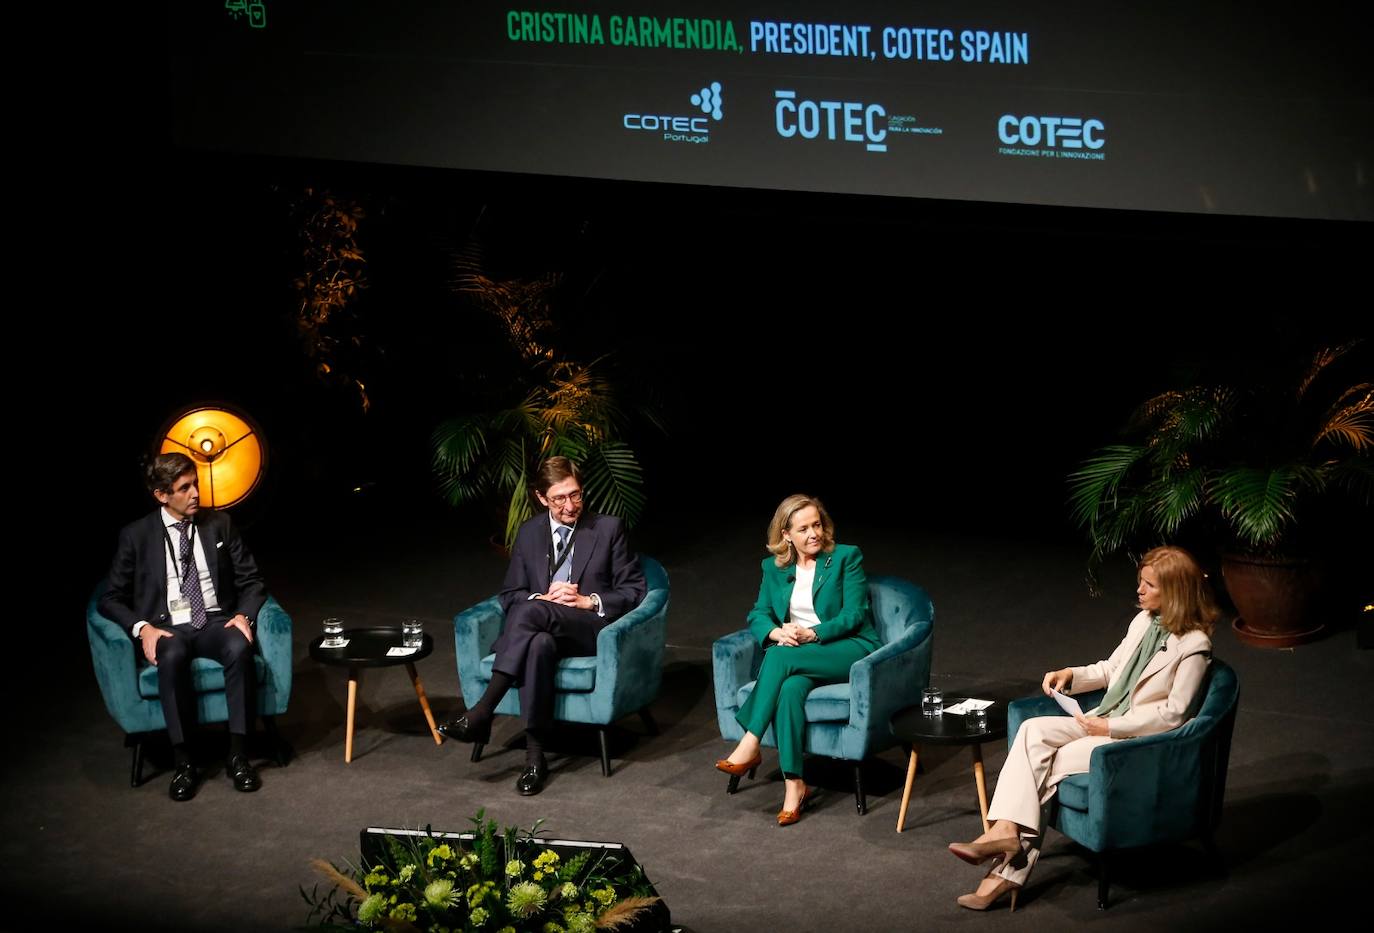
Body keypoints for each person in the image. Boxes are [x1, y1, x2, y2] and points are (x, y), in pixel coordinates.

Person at [947, 545, 1220, 910]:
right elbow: (1110, 669)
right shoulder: (1143, 622)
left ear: (1174, 592)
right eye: (1140, 581)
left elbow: (1174, 715)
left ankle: (1003, 870)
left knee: (1048, 764)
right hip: (1105, 715)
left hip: (1133, 738)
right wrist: (1071, 675)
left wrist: (1109, 728)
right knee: (1032, 731)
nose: (1138, 590)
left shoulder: (1195, 646)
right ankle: (1004, 835)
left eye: (1149, 585)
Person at [438, 456, 646, 796]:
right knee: (538, 642)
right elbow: (510, 595)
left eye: (576, 495)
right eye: (559, 498)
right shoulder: (529, 533)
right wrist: (542, 597)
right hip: (540, 631)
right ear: (541, 498)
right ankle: (535, 758)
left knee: (533, 613)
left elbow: (635, 591)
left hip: (588, 630)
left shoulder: (608, 528)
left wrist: (588, 600)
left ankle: (481, 712)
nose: (570, 505)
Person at [98, 452, 268, 801]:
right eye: (184, 488)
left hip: (213, 620)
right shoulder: (136, 535)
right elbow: (109, 596)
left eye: (196, 485)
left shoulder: (219, 524)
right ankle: (184, 762)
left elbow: (252, 581)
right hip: (167, 627)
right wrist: (142, 628)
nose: (195, 494)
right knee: (171, 654)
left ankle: (238, 755)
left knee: (238, 646)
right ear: (162, 494)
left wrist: (244, 615)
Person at [715, 494, 881, 825]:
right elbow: (759, 613)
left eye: (817, 524)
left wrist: (812, 633)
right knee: (789, 689)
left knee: (778, 659)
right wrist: (776, 632)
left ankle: (750, 741)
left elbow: (853, 616)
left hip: (849, 647)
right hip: (801, 655)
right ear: (786, 534)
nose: (814, 534)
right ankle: (795, 785)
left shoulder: (846, 557)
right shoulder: (774, 568)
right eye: (803, 528)